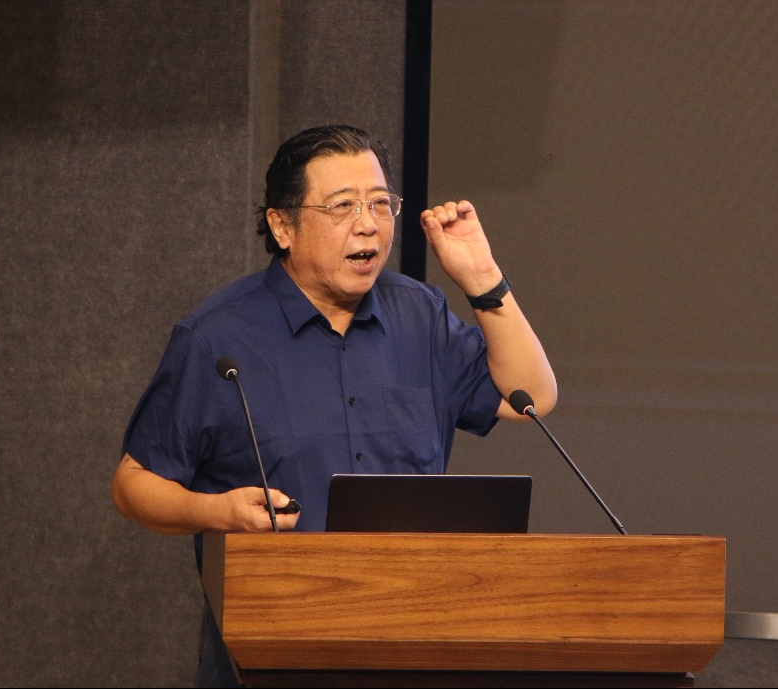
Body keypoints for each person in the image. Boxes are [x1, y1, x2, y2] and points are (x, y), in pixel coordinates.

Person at [111, 124, 556, 687]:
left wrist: (483, 280)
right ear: (282, 225)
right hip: (272, 653)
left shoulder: (420, 316)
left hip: (415, 645)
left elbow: (532, 397)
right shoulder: (217, 338)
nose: (367, 224)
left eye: (380, 203)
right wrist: (217, 513)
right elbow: (133, 485)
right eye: (343, 206)